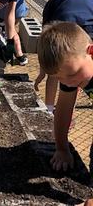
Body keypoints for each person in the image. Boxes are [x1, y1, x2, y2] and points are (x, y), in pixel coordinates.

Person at [37, 22, 93, 172]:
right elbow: (63, 109)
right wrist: (62, 148)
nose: (69, 82)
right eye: (59, 79)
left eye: (73, 74)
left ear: (91, 51)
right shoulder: (71, 71)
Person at [34, 0, 93, 113]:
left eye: (71, 75)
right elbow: (46, 47)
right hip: (63, 19)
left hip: (85, 20)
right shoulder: (53, 12)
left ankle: (50, 109)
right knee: (57, 69)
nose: (68, 83)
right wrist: (43, 71)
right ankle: (49, 110)